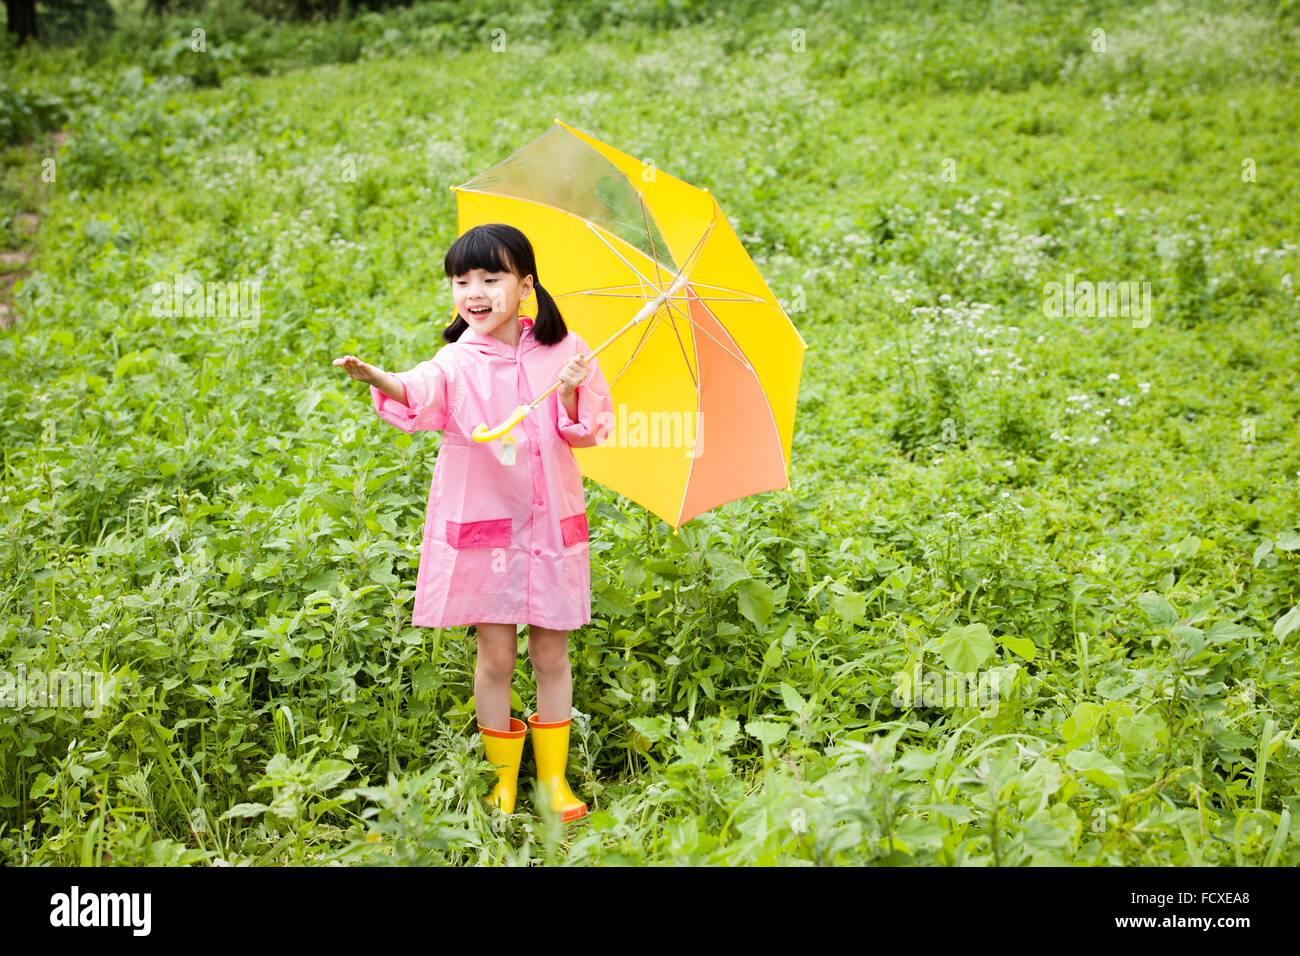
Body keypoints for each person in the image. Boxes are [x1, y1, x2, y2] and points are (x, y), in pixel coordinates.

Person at [332, 223, 613, 822]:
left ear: (525, 284)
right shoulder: (457, 360)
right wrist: (378, 377)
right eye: (462, 281)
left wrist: (567, 394)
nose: (474, 292)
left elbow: (588, 429)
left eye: (491, 277)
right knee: (496, 657)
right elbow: (420, 390)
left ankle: (555, 782)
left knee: (552, 654)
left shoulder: (566, 352)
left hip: (549, 528)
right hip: (490, 533)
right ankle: (503, 780)